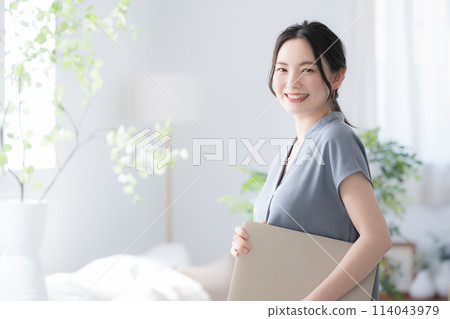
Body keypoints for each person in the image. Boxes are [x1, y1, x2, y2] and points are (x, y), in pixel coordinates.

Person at [230, 20, 392, 301]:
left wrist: (312, 306)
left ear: (337, 77)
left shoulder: (335, 139)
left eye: (307, 70)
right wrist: (248, 244)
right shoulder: (285, 154)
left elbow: (376, 239)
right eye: (282, 69)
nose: (292, 82)